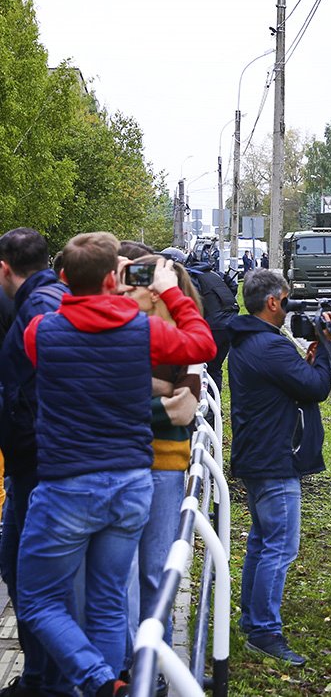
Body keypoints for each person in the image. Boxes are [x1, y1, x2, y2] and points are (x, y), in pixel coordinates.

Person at [18, 232, 215, 697]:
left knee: (38, 599)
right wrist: (168, 290)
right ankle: (110, 684)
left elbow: (50, 352)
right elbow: (201, 344)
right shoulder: (143, 331)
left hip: (66, 487)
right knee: (108, 604)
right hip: (129, 486)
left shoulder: (40, 331)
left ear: (63, 279)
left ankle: (99, 681)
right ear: (114, 278)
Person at [227, 269, 331, 666]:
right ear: (273, 302)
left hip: (258, 456)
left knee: (261, 542)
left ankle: (250, 620)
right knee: (280, 547)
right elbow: (316, 388)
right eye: (287, 299)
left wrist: (309, 359)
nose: (289, 306)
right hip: (274, 460)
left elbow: (293, 383)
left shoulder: (247, 341)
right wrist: (326, 347)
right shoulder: (269, 347)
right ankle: (264, 631)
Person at [119, 254, 204, 696]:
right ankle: (129, 667)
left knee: (156, 573)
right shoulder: (123, 329)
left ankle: (153, 666)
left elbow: (185, 408)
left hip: (164, 467)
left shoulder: (185, 336)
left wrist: (135, 399)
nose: (131, 287)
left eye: (140, 278)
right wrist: (160, 393)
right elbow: (113, 396)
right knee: (121, 578)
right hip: (121, 466)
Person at [0, 227, 72, 697]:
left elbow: (54, 383)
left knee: (28, 575)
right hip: (37, 461)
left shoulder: (40, 305)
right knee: (25, 571)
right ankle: (46, 675)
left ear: (4, 268)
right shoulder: (49, 297)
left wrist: (29, 440)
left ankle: (49, 679)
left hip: (38, 465)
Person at [178, 249, 238, 390]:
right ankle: (214, 408)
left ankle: (208, 408)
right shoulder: (212, 272)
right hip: (231, 322)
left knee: (202, 366)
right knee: (214, 368)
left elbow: (191, 301)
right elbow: (233, 287)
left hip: (215, 325)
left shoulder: (191, 277)